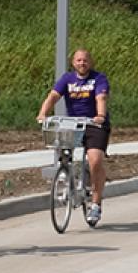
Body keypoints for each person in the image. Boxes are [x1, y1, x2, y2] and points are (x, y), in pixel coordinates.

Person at [35, 49, 110, 224]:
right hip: (73, 124)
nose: (82, 63)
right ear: (73, 62)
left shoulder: (98, 79)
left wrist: (100, 115)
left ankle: (96, 204)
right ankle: (66, 177)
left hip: (94, 124)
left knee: (95, 160)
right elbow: (53, 96)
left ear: (90, 62)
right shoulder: (67, 79)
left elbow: (101, 97)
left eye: (85, 60)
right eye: (78, 60)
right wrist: (42, 113)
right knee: (61, 149)